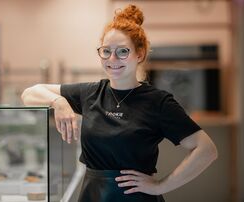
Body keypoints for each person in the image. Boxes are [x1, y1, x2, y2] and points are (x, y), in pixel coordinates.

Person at [21, 4, 218, 202]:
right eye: (106, 51)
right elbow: (29, 94)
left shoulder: (158, 102)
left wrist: (161, 185)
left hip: (136, 197)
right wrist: (59, 102)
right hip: (92, 194)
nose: (112, 59)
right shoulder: (91, 92)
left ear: (139, 54)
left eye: (122, 51)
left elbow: (206, 150)